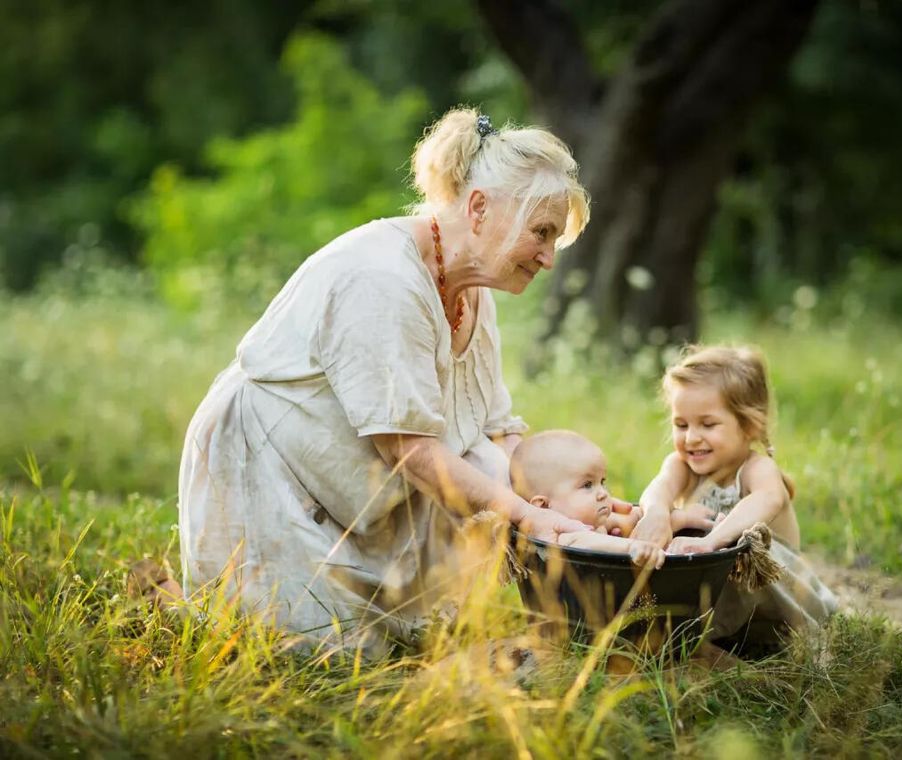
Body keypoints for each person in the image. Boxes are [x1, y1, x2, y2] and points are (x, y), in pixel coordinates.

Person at [178, 108, 592, 657]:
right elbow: (406, 447)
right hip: (273, 471)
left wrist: (572, 502)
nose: (546, 257)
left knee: (490, 476)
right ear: (479, 208)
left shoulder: (474, 289)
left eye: (553, 240)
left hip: (360, 483)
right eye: (541, 233)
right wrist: (524, 514)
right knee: (323, 660)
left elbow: (495, 435)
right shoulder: (383, 279)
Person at [637, 346, 838, 649]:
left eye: (708, 424)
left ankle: (699, 638)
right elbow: (659, 488)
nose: (691, 437)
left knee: (731, 544)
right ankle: (682, 632)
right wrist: (656, 513)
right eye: (681, 425)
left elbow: (767, 499)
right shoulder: (682, 466)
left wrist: (711, 541)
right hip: (722, 603)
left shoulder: (757, 470)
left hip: (778, 606)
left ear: (748, 426)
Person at [509, 430, 714, 566]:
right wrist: (631, 547)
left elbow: (636, 520)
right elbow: (587, 543)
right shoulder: (563, 537)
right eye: (587, 485)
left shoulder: (597, 520)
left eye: (602, 482)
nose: (603, 493)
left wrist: (682, 518)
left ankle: (706, 524)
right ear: (544, 505)